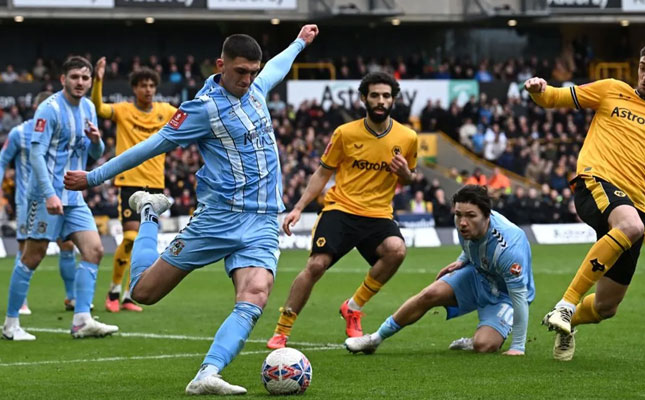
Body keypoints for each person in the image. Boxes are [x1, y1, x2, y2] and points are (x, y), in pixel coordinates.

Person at [64, 26, 319, 395]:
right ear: (220, 65)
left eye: (252, 71)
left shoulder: (257, 90)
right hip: (218, 219)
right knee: (144, 293)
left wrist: (298, 43)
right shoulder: (203, 109)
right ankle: (150, 213)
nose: (248, 80)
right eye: (240, 72)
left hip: (263, 219)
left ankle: (207, 374)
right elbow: (151, 146)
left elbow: (276, 69)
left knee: (257, 292)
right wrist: (94, 177)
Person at [526, 41, 645, 361]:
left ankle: (569, 323)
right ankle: (565, 306)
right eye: (642, 67)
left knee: (607, 306)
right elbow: (553, 98)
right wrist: (539, 88)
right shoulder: (611, 89)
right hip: (595, 181)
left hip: (633, 204)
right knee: (631, 225)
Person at [266, 71, 418, 350]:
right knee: (316, 265)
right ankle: (281, 330)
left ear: (393, 99)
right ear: (364, 98)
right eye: (375, 95)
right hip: (341, 209)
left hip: (378, 214)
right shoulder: (345, 133)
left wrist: (406, 173)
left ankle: (354, 306)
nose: (381, 101)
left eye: (386, 96)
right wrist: (299, 207)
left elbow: (409, 178)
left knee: (396, 250)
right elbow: (322, 174)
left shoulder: (408, 138)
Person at [3, 56, 118, 341]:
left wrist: (97, 141)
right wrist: (49, 194)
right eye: (75, 77)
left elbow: (94, 154)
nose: (80, 82)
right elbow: (37, 156)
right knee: (33, 256)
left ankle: (81, 319)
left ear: (91, 81)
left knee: (93, 250)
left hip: (74, 197)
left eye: (85, 78)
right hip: (45, 197)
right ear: (63, 79)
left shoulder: (89, 107)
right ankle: (11, 324)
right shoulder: (49, 109)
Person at [344, 185, 534, 356]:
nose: (462, 222)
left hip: (505, 295)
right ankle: (374, 339)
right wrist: (462, 260)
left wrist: (518, 347)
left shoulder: (509, 247)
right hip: (479, 276)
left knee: (483, 345)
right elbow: (475, 246)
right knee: (430, 293)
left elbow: (519, 297)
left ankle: (476, 341)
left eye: (470, 215)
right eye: (459, 214)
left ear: (487, 215)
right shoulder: (465, 225)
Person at [91, 58, 177, 313]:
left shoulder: (167, 110)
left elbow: (191, 116)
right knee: (130, 236)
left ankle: (130, 294)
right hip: (130, 183)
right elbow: (98, 108)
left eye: (151, 85)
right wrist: (98, 81)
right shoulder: (124, 110)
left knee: (144, 240)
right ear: (135, 89)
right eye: (143, 85)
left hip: (156, 185)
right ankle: (113, 291)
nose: (148, 89)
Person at [0, 92, 78, 318]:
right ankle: (20, 302)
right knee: (27, 249)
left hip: (60, 196)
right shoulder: (19, 133)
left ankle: (72, 297)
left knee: (67, 245)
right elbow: (3, 159)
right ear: (36, 107)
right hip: (29, 199)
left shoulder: (62, 130)